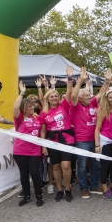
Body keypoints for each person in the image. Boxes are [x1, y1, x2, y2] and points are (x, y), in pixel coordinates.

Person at [70, 67, 111, 199]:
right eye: (87, 96)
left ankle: (93, 185)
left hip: (95, 140)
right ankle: (84, 188)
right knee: (82, 166)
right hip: (82, 141)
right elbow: (73, 95)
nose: (89, 97)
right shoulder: (76, 106)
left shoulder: (92, 104)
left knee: (96, 164)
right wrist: (81, 80)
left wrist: (107, 81)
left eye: (89, 95)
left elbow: (102, 92)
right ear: (81, 98)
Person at [39, 65, 75, 202]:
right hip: (52, 140)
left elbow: (70, 92)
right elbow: (42, 130)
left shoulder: (64, 105)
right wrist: (43, 146)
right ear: (48, 98)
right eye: (51, 96)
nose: (54, 98)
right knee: (55, 166)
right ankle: (59, 190)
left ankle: (68, 189)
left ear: (58, 97)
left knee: (66, 165)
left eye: (56, 96)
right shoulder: (44, 112)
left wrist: (70, 78)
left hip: (67, 138)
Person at [13, 81, 43, 206]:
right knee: (24, 174)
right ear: (24, 108)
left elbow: (42, 132)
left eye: (32, 106)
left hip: (35, 150)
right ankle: (26, 195)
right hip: (20, 151)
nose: (32, 108)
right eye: (29, 106)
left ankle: (39, 195)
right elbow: (15, 107)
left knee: (35, 172)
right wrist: (22, 93)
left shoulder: (37, 117)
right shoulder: (19, 117)